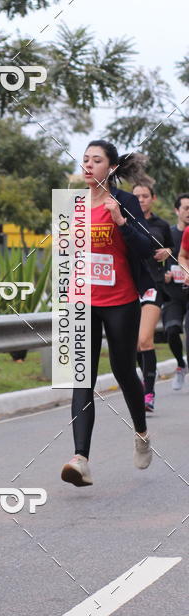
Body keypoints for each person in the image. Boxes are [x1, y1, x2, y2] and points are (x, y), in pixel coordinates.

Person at [61, 141, 157, 488]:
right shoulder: (72, 205)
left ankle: (142, 433)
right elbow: (68, 255)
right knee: (81, 374)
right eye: (85, 159)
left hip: (119, 300)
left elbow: (146, 249)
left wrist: (121, 222)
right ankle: (80, 459)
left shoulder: (126, 202)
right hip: (82, 300)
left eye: (96, 160)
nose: (88, 165)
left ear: (111, 168)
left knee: (122, 369)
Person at [131, 183, 173, 412]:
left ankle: (149, 393)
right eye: (136, 196)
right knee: (135, 343)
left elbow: (173, 251)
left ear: (152, 198)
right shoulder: (124, 220)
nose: (140, 200)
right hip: (128, 287)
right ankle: (139, 385)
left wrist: (168, 252)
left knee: (145, 338)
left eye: (145, 196)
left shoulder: (162, 225)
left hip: (153, 286)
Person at [162, 193, 189, 390]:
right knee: (171, 330)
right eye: (186, 208)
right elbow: (153, 261)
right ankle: (180, 364)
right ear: (177, 211)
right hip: (173, 294)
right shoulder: (167, 234)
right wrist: (164, 273)